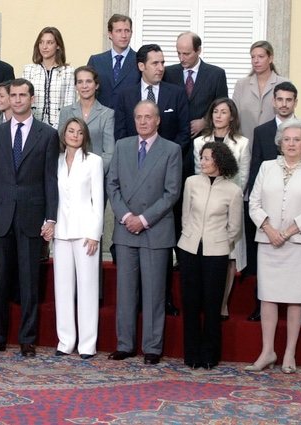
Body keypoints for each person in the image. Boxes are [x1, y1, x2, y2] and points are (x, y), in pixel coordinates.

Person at [0, 78, 59, 357]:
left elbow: (51, 179)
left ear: (32, 99)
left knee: (29, 282)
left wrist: (50, 217)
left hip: (31, 216)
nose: (19, 100)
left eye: (24, 95)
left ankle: (27, 338)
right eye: (14, 95)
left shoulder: (47, 134)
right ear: (8, 99)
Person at [246, 118, 301, 373]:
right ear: (279, 143)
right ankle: (267, 351)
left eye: (297, 140)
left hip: (300, 243)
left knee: (296, 298)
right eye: (287, 139)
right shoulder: (267, 167)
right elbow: (254, 204)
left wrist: (288, 232)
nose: (291, 143)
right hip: (269, 241)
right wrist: (270, 230)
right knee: (267, 297)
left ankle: (289, 353)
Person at [115, 43, 190, 316]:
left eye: (162, 62)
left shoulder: (176, 94)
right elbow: (121, 135)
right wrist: (126, 214)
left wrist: (163, 159)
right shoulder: (124, 95)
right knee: (126, 287)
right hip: (130, 193)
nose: (162, 67)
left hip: (163, 183)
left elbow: (184, 134)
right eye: (156, 63)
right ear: (141, 66)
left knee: (156, 285)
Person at [106, 100, 181, 365]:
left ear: (158, 120)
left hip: (155, 230)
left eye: (148, 117)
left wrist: (144, 219)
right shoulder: (122, 145)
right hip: (126, 229)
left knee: (154, 293)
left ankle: (152, 346)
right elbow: (112, 185)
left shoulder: (171, 150)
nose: (143, 122)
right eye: (138, 117)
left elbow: (172, 192)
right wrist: (127, 216)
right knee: (125, 292)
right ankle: (125, 344)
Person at [245, 81, 301, 321]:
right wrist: (267, 226)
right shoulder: (262, 132)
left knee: (298, 292)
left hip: (298, 233)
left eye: (289, 100)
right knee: (267, 291)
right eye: (280, 99)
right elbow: (256, 170)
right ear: (273, 101)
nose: (284, 104)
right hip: (269, 225)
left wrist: (287, 231)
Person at [178, 142, 242, 369]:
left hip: (216, 253)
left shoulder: (233, 191)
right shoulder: (191, 182)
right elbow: (185, 216)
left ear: (219, 161)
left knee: (213, 305)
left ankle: (210, 355)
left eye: (207, 158)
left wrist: (218, 241)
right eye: (201, 157)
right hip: (189, 249)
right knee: (191, 303)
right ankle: (191, 354)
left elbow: (234, 228)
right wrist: (191, 237)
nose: (202, 162)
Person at [192, 98, 250, 319]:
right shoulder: (200, 142)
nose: (218, 116)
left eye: (223, 112)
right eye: (215, 111)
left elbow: (242, 176)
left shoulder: (242, 143)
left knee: (228, 255)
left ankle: (223, 304)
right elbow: (199, 173)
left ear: (231, 116)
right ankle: (205, 301)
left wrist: (227, 199)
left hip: (230, 204)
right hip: (205, 207)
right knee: (204, 253)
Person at [53, 117, 104, 359]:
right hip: (61, 232)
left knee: (87, 288)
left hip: (86, 233)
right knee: (62, 289)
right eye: (71, 131)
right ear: (64, 135)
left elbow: (98, 201)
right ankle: (65, 341)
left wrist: (95, 233)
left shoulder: (94, 162)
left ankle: (87, 344)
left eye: (79, 132)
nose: (74, 135)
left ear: (85, 137)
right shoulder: (57, 162)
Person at [163, 31, 228, 139]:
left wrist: (205, 122)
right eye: (179, 53)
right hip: (175, 139)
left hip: (205, 139)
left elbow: (223, 105)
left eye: (186, 54)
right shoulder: (168, 73)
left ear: (198, 50)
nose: (181, 58)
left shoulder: (216, 74)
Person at [58, 65, 115, 173]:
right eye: (80, 82)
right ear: (75, 86)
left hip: (95, 174)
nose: (84, 86)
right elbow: (61, 145)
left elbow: (109, 152)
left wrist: (94, 172)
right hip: (68, 173)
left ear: (96, 85)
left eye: (88, 81)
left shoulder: (107, 114)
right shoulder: (66, 112)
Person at [232, 40, 289, 143]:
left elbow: (288, 115)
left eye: (260, 57)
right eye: (253, 57)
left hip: (275, 143)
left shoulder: (283, 83)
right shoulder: (241, 84)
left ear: (270, 58)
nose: (256, 61)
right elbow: (234, 115)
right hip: (246, 143)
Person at [22, 27, 74, 129]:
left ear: (58, 45)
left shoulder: (68, 72)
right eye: (41, 42)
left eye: (49, 42)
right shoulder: (29, 70)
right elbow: (25, 100)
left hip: (60, 128)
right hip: (32, 127)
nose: (44, 47)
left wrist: (59, 127)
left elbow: (69, 105)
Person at [87, 14, 140, 111]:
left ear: (131, 33)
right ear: (110, 34)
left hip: (129, 119)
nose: (123, 35)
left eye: (127, 31)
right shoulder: (96, 61)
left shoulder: (140, 60)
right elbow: (88, 91)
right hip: (100, 119)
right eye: (119, 31)